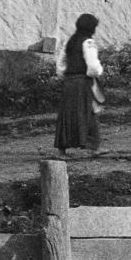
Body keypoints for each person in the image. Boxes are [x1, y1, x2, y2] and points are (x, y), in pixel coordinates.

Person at [54, 12, 103, 156]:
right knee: (87, 112)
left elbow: (60, 63)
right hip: (82, 82)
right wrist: (97, 74)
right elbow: (93, 66)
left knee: (66, 114)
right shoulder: (88, 42)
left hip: (69, 82)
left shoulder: (70, 41)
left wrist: (66, 75)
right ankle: (94, 147)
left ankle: (62, 150)